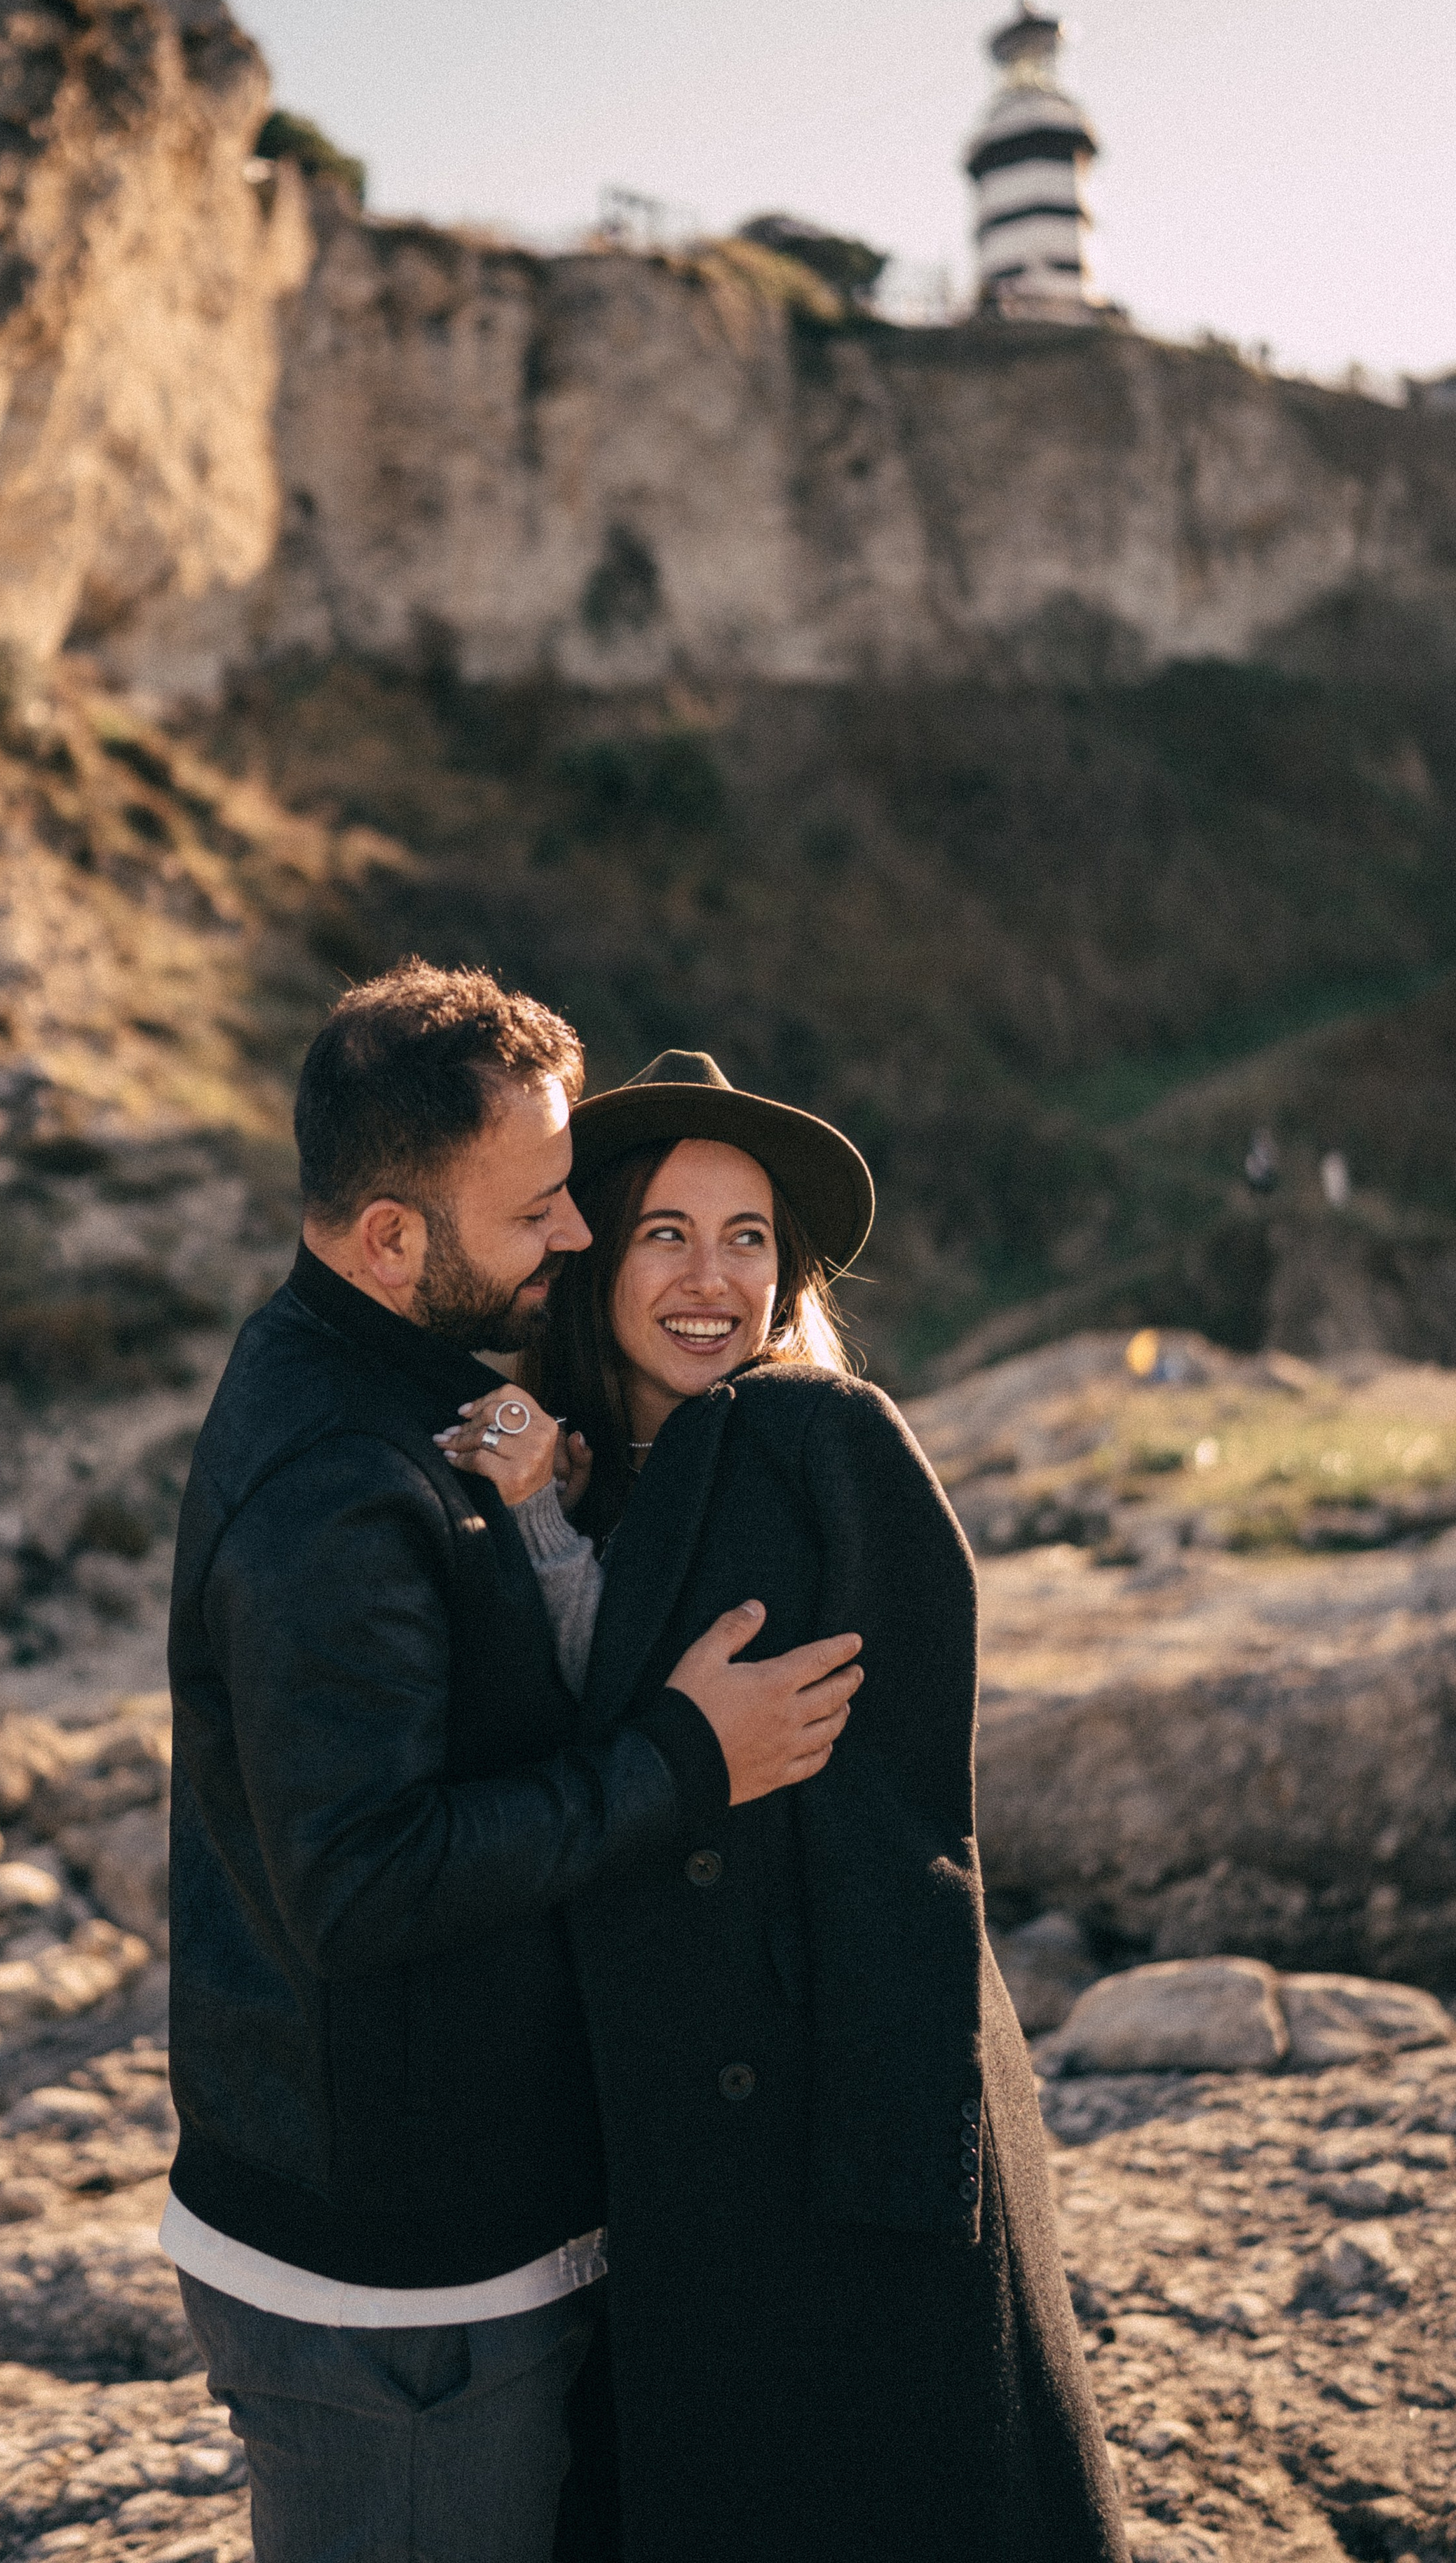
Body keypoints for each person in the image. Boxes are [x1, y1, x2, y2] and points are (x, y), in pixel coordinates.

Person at [161, 968, 866, 2563]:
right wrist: (687, 1759)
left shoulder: (417, 1396)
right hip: (391, 2287)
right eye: (540, 1207)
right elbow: (361, 1882)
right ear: (390, 1240)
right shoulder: (338, 1485)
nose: (577, 1233)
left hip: (449, 2232)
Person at [436, 1049, 1128, 2563]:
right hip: (671, 2139)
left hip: (830, 2127)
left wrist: (896, 2176)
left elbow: (908, 1832)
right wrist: (543, 1517)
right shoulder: (610, 1473)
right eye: (666, 1234)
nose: (712, 1279)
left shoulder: (821, 1438)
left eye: (746, 1237)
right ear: (596, 1260)